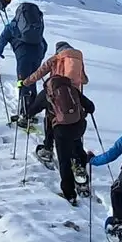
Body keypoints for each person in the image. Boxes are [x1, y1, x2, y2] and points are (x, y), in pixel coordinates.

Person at [18, 41, 93, 204]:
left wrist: (24, 84)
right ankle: (80, 169)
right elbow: (90, 101)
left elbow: (39, 75)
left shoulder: (49, 88)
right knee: (76, 142)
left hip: (60, 126)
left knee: (63, 157)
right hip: (78, 120)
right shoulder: (77, 62)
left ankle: (69, 193)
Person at [0, 0, 47, 125]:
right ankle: (31, 112)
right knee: (32, 81)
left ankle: (25, 115)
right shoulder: (37, 26)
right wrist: (40, 58)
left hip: (23, 55)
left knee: (23, 82)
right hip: (37, 53)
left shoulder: (14, 25)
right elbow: (44, 43)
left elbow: (2, 39)